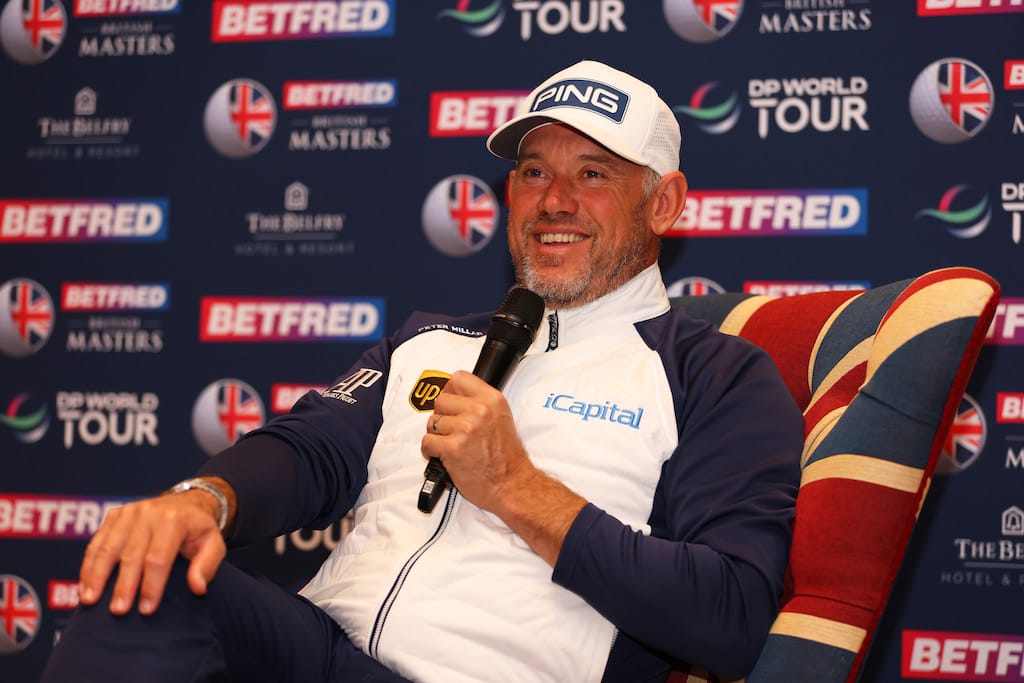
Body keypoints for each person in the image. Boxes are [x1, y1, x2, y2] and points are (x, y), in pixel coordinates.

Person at [43, 60, 803, 683]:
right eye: (533, 172)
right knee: (147, 579)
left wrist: (517, 487)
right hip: (322, 647)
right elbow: (310, 449)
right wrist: (206, 499)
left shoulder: (713, 375)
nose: (554, 201)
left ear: (663, 203)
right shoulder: (429, 340)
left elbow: (732, 616)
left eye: (594, 173)